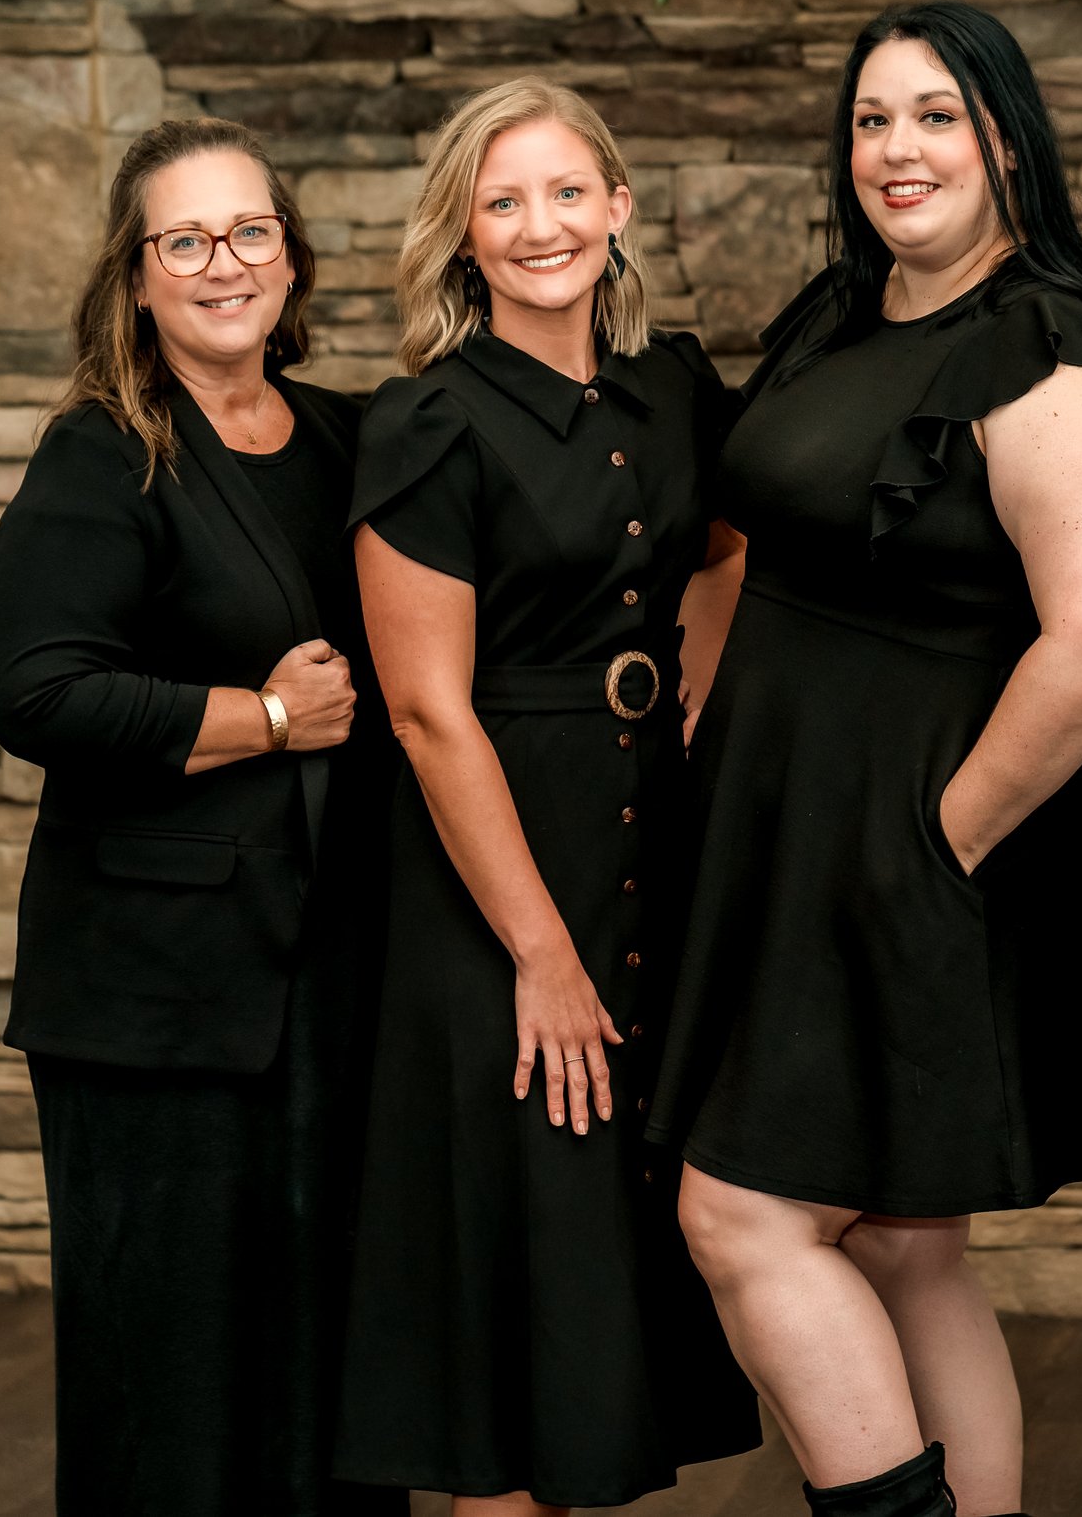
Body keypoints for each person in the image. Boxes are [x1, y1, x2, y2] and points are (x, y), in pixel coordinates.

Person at [646, 1, 1082, 1517]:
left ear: (1006, 139)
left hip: (918, 850)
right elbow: (750, 538)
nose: (899, 148)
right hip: (791, 828)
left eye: (938, 115)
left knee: (743, 1216)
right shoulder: (846, 311)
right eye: (874, 119)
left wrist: (941, 840)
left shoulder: (1047, 358)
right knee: (901, 1240)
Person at [329, 77, 759, 1516]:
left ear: (618, 207)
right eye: (502, 202)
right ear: (462, 234)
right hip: (496, 896)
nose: (539, 226)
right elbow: (425, 714)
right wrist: (540, 953)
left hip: (648, 861)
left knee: (590, 1313)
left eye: (568, 192)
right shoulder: (427, 423)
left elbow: (729, 550)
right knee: (507, 1336)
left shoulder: (672, 387)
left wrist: (688, 695)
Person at [0, 117, 398, 1517]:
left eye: (250, 231)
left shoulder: (349, 439)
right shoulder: (102, 456)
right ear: (138, 276)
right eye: (186, 240)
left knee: (327, 1373)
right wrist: (266, 717)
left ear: (291, 256)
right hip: (154, 1003)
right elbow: (38, 694)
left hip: (332, 980)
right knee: (170, 1385)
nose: (225, 264)